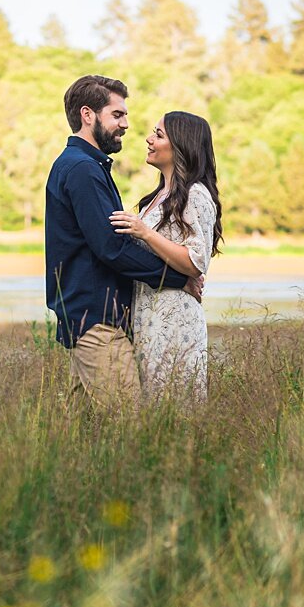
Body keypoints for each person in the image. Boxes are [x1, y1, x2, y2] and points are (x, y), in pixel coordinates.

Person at [44, 75, 199, 410]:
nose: (126, 124)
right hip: (96, 321)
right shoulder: (82, 169)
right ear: (88, 115)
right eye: (117, 115)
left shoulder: (87, 166)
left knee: (85, 430)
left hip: (88, 317)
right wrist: (178, 278)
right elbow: (111, 247)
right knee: (128, 423)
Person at [110, 110, 223, 403]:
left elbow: (196, 262)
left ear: (181, 146)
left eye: (158, 135)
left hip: (174, 320)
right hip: (148, 316)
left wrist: (144, 232)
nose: (148, 139)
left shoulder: (195, 195)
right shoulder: (159, 195)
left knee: (174, 406)